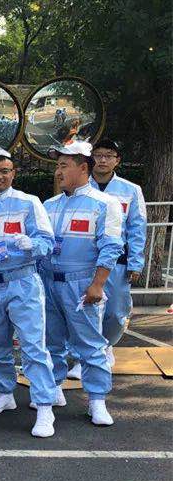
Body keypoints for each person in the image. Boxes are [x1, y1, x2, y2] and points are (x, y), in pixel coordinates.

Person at [0, 148, 57, 437]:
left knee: (32, 345)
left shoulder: (29, 203)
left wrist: (33, 244)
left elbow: (47, 242)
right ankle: (5, 392)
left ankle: (44, 406)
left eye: (5, 171)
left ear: (13, 173)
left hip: (23, 282)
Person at [42, 140, 123, 425]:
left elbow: (111, 247)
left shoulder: (105, 204)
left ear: (83, 168)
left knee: (90, 343)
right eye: (57, 165)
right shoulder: (49, 205)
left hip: (81, 285)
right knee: (51, 342)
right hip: (48, 282)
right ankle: (53, 389)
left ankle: (97, 400)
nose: (58, 171)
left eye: (64, 165)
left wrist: (98, 284)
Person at [89, 139, 147, 370]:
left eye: (109, 155)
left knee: (115, 311)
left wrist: (136, 262)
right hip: (86, 260)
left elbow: (137, 228)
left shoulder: (130, 190)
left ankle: (107, 345)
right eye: (98, 155)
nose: (102, 160)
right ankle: (89, 352)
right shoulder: (81, 188)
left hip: (117, 261)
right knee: (86, 309)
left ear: (117, 160)